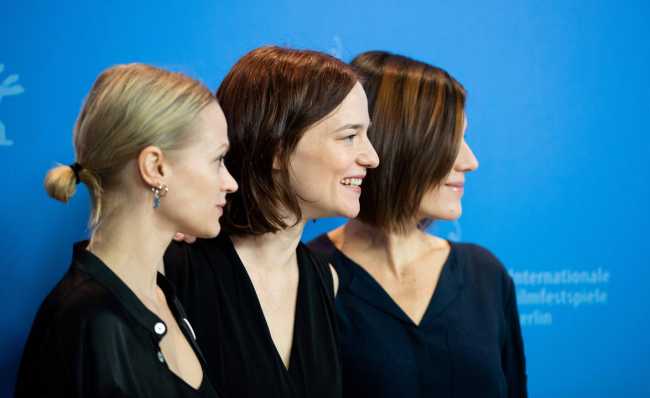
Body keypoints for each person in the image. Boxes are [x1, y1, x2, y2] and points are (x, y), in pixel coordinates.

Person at [164, 46, 379, 398]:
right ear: (277, 148)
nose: (372, 157)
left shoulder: (325, 280)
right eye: (349, 136)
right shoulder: (178, 269)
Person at [309, 51, 528, 398]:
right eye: (450, 140)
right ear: (397, 143)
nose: (470, 162)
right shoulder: (308, 277)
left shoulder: (485, 275)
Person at [15, 63, 237, 397]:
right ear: (155, 167)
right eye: (218, 160)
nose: (230, 183)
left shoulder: (161, 294)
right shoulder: (87, 324)